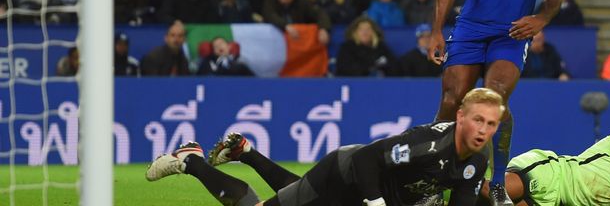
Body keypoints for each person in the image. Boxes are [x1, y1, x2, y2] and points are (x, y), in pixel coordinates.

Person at [429, 0, 565, 205]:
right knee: (451, 100)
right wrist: (437, 30)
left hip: (511, 33)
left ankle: (499, 183)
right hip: (470, 29)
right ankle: (431, 181)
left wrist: (541, 19)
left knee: (495, 97)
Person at [147, 88, 504, 206]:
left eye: (490, 124)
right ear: (460, 116)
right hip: (347, 174)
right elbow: (367, 159)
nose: (482, 130)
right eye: (477, 120)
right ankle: (191, 160)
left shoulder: (478, 160)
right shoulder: (428, 146)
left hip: (368, 194)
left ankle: (247, 154)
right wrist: (376, 202)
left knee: (301, 196)